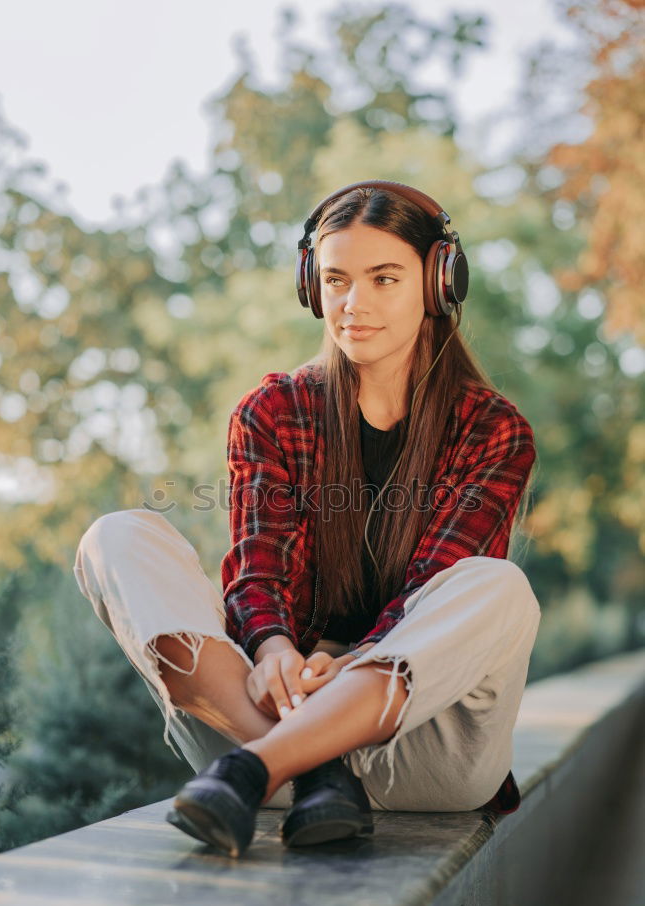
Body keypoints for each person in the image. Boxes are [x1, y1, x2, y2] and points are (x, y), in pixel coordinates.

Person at [73, 181, 541, 860]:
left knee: (496, 588)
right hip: (255, 723)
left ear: (439, 283)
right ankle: (311, 768)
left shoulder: (493, 431)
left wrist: (335, 662)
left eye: (384, 279)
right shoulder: (273, 411)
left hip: (420, 759)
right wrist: (272, 648)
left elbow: (430, 588)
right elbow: (258, 574)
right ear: (311, 287)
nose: (354, 304)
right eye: (336, 280)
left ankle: (271, 764)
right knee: (115, 537)